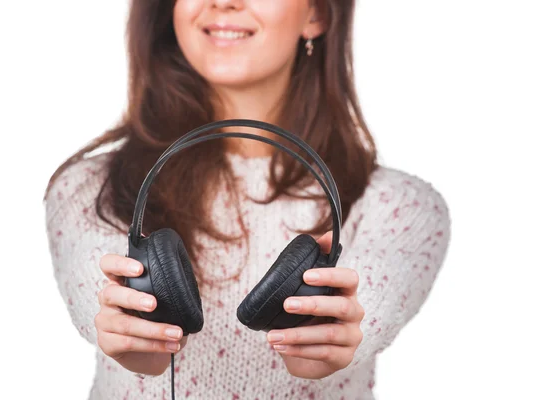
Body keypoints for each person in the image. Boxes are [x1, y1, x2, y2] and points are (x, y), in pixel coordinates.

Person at [43, 1, 451, 399]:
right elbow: (93, 286)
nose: (223, 3)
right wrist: (125, 329)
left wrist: (338, 335)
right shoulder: (87, 188)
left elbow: (374, 298)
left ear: (317, 13)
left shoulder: (403, 208)